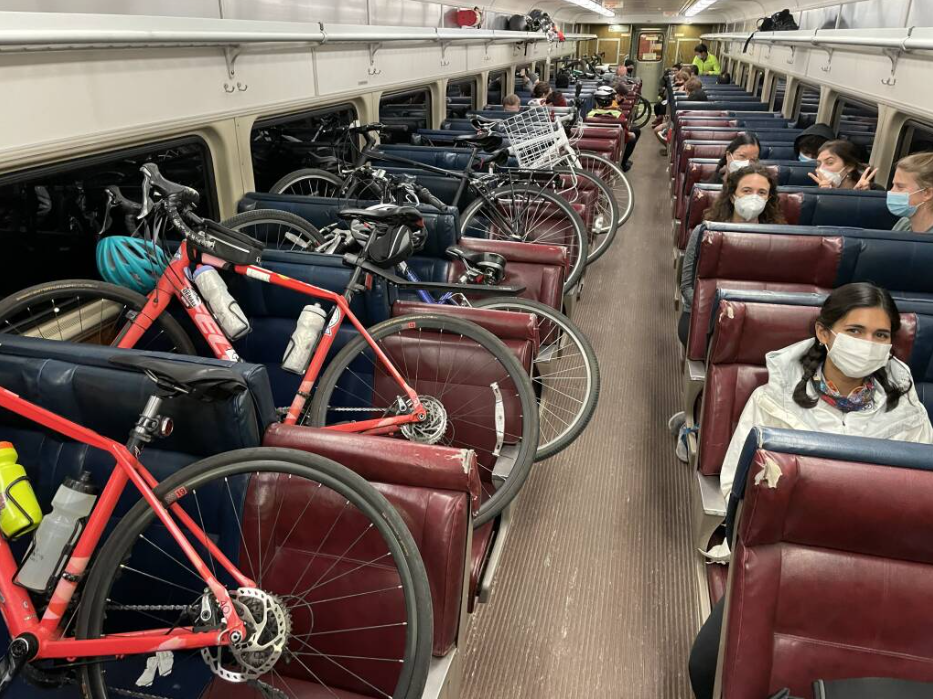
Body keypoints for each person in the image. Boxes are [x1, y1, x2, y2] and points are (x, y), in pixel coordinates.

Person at [688, 284, 933, 699]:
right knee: (707, 666)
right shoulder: (772, 401)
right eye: (855, 331)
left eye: (882, 335)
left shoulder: (907, 413)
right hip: (789, 557)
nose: (869, 345)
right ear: (823, 333)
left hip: (882, 564)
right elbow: (736, 485)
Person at [677, 164, 786, 356]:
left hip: (758, 318)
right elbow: (686, 286)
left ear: (769, 198)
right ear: (733, 194)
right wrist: (716, 312)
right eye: (747, 191)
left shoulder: (780, 239)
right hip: (705, 315)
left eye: (761, 192)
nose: (754, 197)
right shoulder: (705, 233)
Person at [889, 152, 933, 232]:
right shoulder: (904, 224)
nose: (892, 191)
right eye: (893, 185)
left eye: (900, 187)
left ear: (927, 193)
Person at [809, 139, 879, 190]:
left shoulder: (874, 189)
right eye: (818, 164)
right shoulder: (812, 194)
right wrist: (826, 196)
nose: (821, 168)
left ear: (849, 166)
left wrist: (861, 196)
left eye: (830, 163)